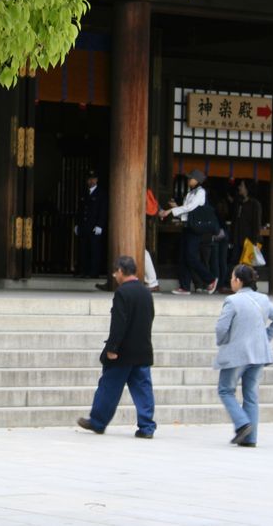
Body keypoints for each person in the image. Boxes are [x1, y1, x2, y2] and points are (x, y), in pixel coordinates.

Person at [77, 255, 156, 438]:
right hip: (142, 349)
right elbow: (149, 318)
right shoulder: (146, 292)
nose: (114, 275)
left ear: (121, 271)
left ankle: (98, 421)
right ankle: (147, 427)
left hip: (123, 352)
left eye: (115, 272)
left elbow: (119, 323)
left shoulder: (123, 293)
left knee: (109, 387)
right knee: (143, 389)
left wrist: (112, 348)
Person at [213, 264, 273, 448]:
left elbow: (221, 328)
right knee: (251, 395)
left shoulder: (232, 301)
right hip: (259, 354)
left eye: (232, 278)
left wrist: (223, 341)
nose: (231, 281)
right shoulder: (263, 299)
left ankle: (242, 424)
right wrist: (265, 338)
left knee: (225, 390)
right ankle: (250, 438)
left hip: (238, 353)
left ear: (238, 280)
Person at [158, 169, 218, 295]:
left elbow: (190, 208)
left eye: (190, 178)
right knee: (183, 257)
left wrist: (170, 211)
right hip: (187, 227)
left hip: (195, 229)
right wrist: (175, 207)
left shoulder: (201, 192)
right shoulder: (189, 194)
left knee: (191, 256)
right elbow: (185, 213)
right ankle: (184, 286)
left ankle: (210, 279)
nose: (188, 180)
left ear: (197, 180)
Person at [73, 169, 106, 278]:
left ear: (97, 180)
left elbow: (103, 210)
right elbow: (80, 210)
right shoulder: (84, 192)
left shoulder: (101, 193)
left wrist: (100, 225)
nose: (91, 181)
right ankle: (83, 270)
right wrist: (77, 224)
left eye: (93, 179)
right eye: (89, 179)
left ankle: (94, 272)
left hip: (94, 226)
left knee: (94, 249)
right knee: (83, 249)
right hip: (84, 226)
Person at [229, 180, 262, 270]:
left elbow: (256, 224)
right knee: (235, 264)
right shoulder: (239, 202)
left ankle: (251, 284)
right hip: (237, 239)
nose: (239, 187)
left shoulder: (255, 204)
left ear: (247, 189)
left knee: (248, 267)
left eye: (241, 186)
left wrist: (254, 242)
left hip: (249, 241)